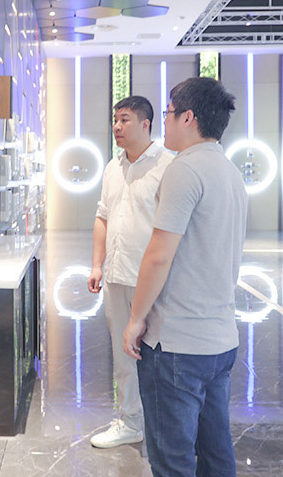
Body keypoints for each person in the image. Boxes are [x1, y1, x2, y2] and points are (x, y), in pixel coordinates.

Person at [122, 77, 247, 477]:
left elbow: (159, 255)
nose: (165, 121)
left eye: (169, 113)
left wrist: (136, 318)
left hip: (177, 344)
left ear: (188, 118)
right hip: (220, 341)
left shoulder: (184, 170)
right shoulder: (230, 172)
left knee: (172, 459)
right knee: (216, 453)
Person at [87, 96, 174, 449]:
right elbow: (102, 217)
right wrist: (97, 264)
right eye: (115, 120)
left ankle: (169, 424)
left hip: (155, 279)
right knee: (123, 354)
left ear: (146, 124)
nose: (117, 127)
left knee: (163, 354)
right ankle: (130, 421)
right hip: (116, 275)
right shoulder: (113, 167)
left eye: (125, 119)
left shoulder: (168, 166)